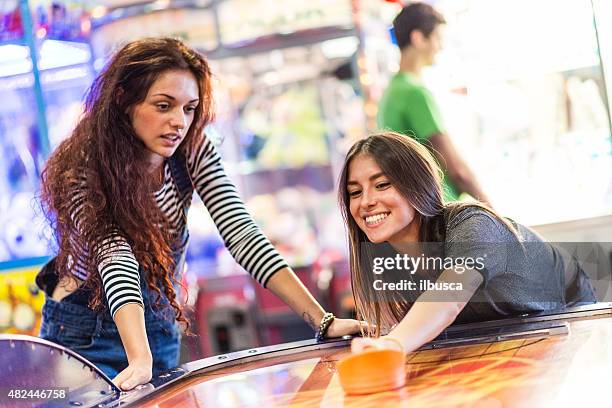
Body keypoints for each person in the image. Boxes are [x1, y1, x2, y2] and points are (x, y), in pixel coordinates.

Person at [38, 38, 361, 390]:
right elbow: (116, 256)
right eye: (164, 105)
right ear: (123, 101)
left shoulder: (190, 148)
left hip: (156, 328)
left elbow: (240, 231)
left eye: (189, 108)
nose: (179, 121)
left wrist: (323, 321)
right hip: (85, 336)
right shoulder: (83, 168)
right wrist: (139, 357)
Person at [337, 131, 596, 353]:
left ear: (417, 185)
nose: (367, 201)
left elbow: (448, 298)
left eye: (382, 184)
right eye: (355, 192)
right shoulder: (387, 257)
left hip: (571, 314)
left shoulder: (473, 224)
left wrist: (392, 343)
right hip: (505, 332)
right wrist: (378, 336)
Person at [378, 2, 491, 206]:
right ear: (419, 38)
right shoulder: (414, 93)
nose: (441, 46)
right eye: (438, 38)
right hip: (441, 210)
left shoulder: (391, 93)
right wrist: (496, 215)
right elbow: (456, 169)